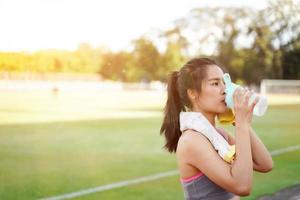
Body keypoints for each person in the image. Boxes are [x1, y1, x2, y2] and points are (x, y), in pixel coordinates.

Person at [160, 58, 273, 200]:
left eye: (225, 83)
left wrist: (235, 119)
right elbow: (242, 187)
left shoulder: (220, 135)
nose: (225, 90)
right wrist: (241, 125)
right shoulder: (191, 140)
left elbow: (265, 164)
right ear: (193, 93)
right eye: (215, 83)